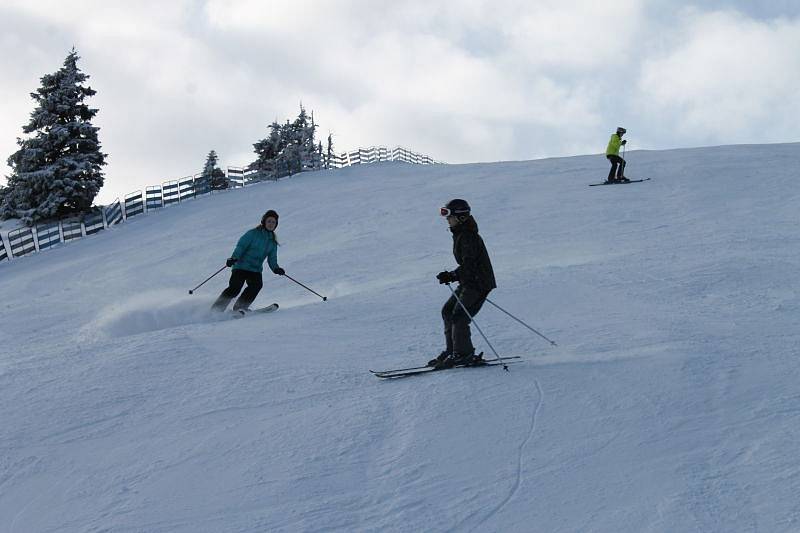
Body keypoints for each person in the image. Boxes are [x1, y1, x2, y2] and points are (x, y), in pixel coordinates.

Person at [428, 199, 497, 369]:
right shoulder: (461, 234)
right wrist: (453, 275)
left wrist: (452, 275)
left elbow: (470, 265)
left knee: (459, 316)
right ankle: (453, 350)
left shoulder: (468, 237)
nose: (446, 219)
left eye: (448, 215)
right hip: (469, 281)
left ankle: (463, 354)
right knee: (448, 311)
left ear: (461, 217)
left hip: (478, 283)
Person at [212, 210, 285, 312]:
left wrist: (276, 268)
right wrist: (234, 258)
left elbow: (272, 259)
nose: (271, 224)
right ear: (264, 222)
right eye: (269, 221)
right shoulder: (252, 234)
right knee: (235, 288)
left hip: (255, 270)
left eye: (273, 222)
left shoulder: (272, 242)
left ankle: (240, 307)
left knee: (256, 285)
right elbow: (241, 246)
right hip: (241, 266)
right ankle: (216, 309)